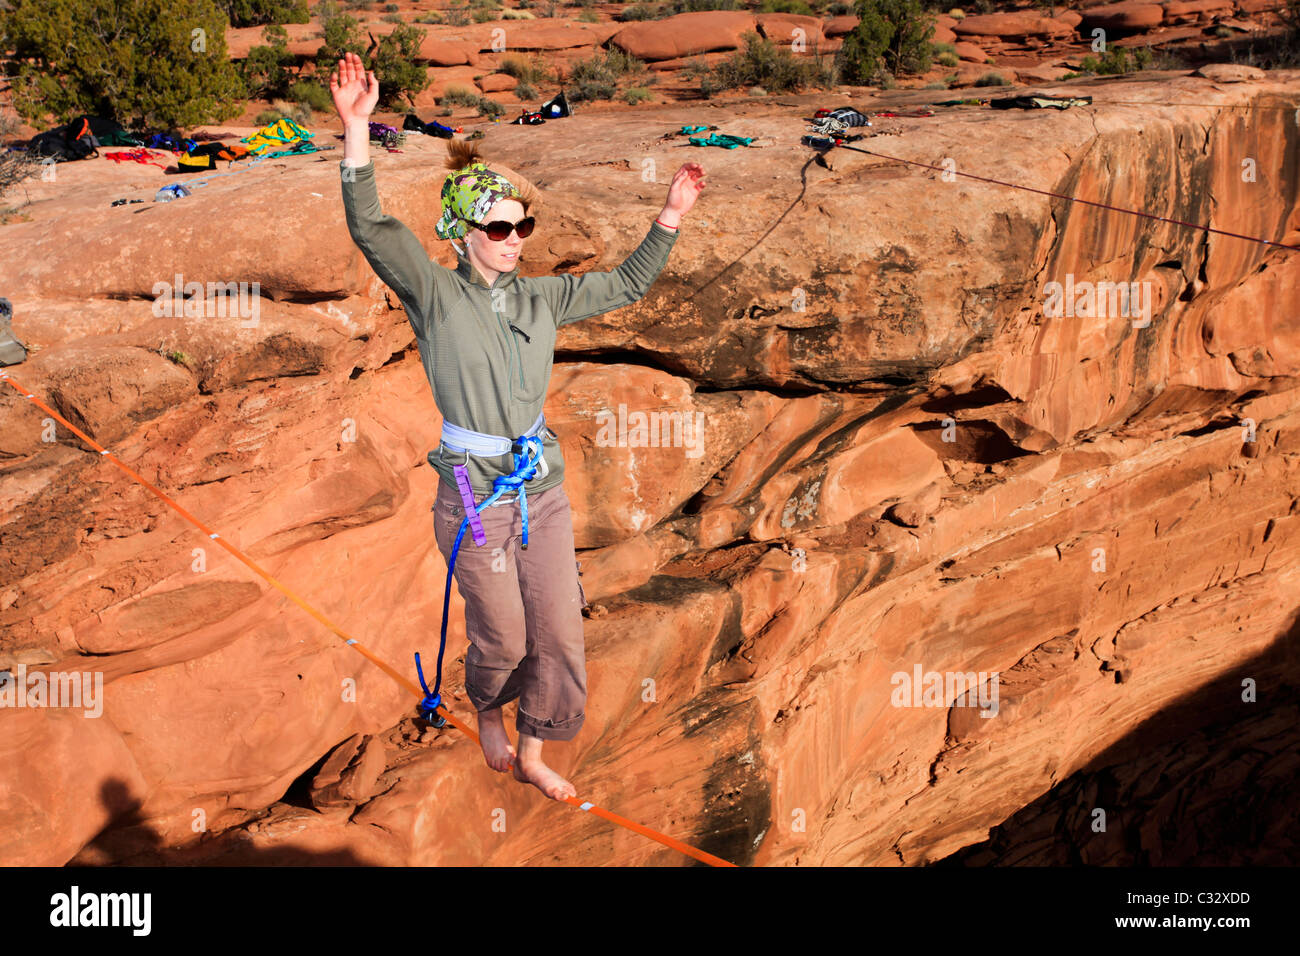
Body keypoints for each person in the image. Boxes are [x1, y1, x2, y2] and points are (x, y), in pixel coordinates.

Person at [330, 52, 704, 800]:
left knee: (560, 634)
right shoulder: (434, 295)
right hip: (474, 496)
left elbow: (627, 283)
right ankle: (487, 709)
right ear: (463, 231)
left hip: (544, 488)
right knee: (502, 637)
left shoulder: (544, 300)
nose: (514, 238)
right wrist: (356, 128)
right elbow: (371, 224)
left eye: (522, 225)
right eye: (499, 227)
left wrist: (669, 216)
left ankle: (536, 748)